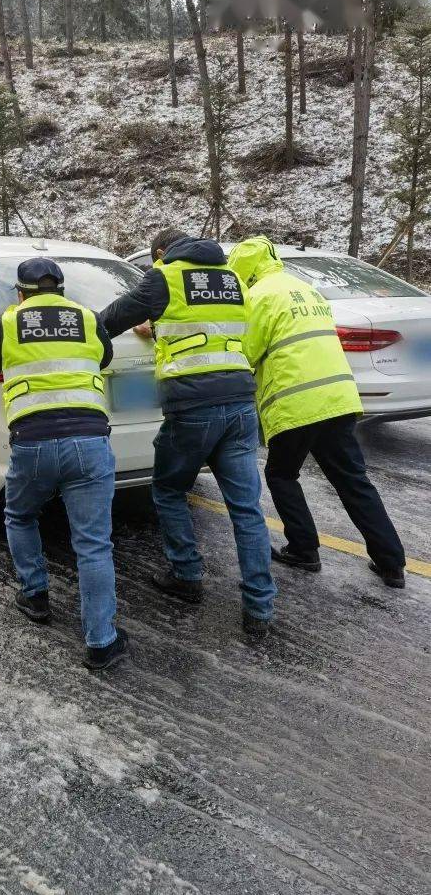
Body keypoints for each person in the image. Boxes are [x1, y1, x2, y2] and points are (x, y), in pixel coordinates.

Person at [100, 229, 276, 635]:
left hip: (194, 405)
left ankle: (186, 574)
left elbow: (114, 317)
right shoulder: (232, 279)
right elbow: (213, 329)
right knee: (246, 508)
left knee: (168, 489)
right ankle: (260, 608)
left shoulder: (165, 276)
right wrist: (161, 328)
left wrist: (74, 331)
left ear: (162, 252)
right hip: (240, 401)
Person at [0, 258, 128, 670]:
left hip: (33, 442)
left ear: (20, 291)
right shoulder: (88, 318)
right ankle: (101, 641)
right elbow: (104, 359)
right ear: (60, 290)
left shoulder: (8, 321)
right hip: (90, 441)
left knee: (20, 515)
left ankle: (35, 594)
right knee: (94, 544)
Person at [228, 236, 406, 588]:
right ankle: (391, 564)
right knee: (352, 480)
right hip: (337, 397)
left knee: (281, 474)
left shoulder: (258, 296)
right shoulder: (304, 288)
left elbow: (247, 352)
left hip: (297, 401)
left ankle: (304, 549)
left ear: (243, 271)